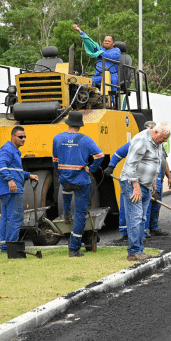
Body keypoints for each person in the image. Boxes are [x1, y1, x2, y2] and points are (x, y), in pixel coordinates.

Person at [52, 112, 104, 257]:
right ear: (79, 126)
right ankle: (74, 249)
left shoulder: (57, 138)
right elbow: (100, 156)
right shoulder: (85, 140)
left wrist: (61, 172)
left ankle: (67, 214)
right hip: (81, 180)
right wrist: (91, 169)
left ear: (68, 124)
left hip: (65, 179)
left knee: (66, 192)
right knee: (80, 214)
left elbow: (55, 160)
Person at [121, 122, 171, 262]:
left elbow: (155, 162)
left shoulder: (157, 142)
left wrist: (153, 181)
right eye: (164, 137)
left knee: (142, 218)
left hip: (146, 185)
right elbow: (130, 165)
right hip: (132, 183)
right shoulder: (141, 140)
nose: (165, 141)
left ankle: (139, 250)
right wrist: (136, 186)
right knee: (135, 218)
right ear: (156, 132)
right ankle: (133, 252)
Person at [0, 126, 38, 253]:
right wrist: (10, 180)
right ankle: (12, 247)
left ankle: (4, 246)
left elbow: (16, 170)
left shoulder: (13, 151)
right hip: (13, 190)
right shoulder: (8, 149)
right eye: (20, 137)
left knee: (6, 218)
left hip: (6, 191)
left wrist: (28, 175)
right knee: (15, 218)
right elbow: (1, 166)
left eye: (25, 137)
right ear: (13, 137)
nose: (23, 139)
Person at [72, 24, 121, 90]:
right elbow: (91, 43)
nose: (106, 42)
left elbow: (110, 56)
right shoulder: (100, 49)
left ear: (113, 43)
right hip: (99, 76)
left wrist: (99, 52)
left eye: (109, 41)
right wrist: (79, 31)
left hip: (111, 75)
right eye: (105, 41)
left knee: (112, 82)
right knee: (87, 83)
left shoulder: (116, 50)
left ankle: (111, 100)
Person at [103, 141, 131, 243]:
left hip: (143, 182)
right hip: (128, 180)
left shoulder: (156, 147)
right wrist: (111, 166)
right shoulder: (137, 142)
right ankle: (124, 233)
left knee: (140, 209)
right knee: (124, 206)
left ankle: (142, 233)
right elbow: (119, 153)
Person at [145, 152, 171, 237]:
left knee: (157, 205)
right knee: (149, 206)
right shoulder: (149, 146)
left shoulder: (161, 146)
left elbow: (164, 161)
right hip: (152, 180)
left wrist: (169, 177)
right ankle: (144, 231)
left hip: (160, 179)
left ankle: (154, 228)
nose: (165, 140)